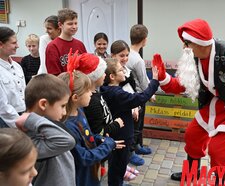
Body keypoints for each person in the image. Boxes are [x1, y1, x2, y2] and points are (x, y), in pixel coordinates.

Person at [152, 19, 225, 183]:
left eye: (187, 43)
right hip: (213, 107)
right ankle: (192, 173)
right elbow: (183, 85)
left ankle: (221, 181)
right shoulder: (195, 57)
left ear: (200, 43)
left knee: (218, 151)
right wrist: (163, 77)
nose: (184, 47)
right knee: (193, 137)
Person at [58, 52, 125, 186]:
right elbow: (84, 157)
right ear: (75, 97)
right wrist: (107, 145)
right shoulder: (68, 127)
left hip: (91, 174)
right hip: (81, 179)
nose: (91, 94)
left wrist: (102, 140)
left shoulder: (79, 112)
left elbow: (88, 136)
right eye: (88, 90)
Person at [76, 53, 138, 181]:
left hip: (104, 143)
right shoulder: (91, 101)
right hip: (99, 147)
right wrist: (115, 126)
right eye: (101, 72)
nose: (104, 75)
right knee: (98, 174)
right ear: (94, 76)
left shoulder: (96, 93)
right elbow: (97, 130)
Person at [100, 58, 159, 185]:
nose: (124, 72)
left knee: (115, 165)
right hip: (122, 136)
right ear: (112, 76)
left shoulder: (106, 90)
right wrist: (154, 81)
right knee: (118, 167)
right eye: (121, 70)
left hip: (115, 135)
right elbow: (140, 98)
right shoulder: (117, 93)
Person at [16, 74, 76, 186]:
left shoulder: (49, 128)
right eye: (62, 106)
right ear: (43, 104)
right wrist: (31, 119)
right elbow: (68, 141)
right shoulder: (31, 140)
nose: (64, 112)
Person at [110, 40, 145, 167]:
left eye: (126, 55)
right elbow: (120, 93)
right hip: (121, 108)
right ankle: (126, 157)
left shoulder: (126, 69)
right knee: (122, 136)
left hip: (130, 103)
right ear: (113, 55)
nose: (125, 58)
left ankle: (130, 153)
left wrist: (135, 106)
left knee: (133, 130)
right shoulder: (112, 72)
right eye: (121, 55)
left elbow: (130, 87)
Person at [127, 24, 155, 156]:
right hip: (138, 96)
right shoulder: (138, 60)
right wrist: (151, 94)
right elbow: (143, 81)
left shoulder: (127, 54)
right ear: (144, 40)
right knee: (137, 125)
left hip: (129, 94)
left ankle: (136, 146)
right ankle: (133, 150)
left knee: (134, 124)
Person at [46, 8, 87, 75]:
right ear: (60, 25)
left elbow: (86, 67)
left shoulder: (80, 44)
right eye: (70, 24)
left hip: (82, 84)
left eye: (76, 23)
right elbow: (54, 75)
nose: (74, 27)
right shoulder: (52, 46)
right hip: (63, 85)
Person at [0, 27, 25, 128]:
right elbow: (2, 106)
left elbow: (24, 92)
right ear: (1, 44)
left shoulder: (17, 66)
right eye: (13, 43)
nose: (17, 46)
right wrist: (19, 124)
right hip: (6, 121)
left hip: (22, 115)